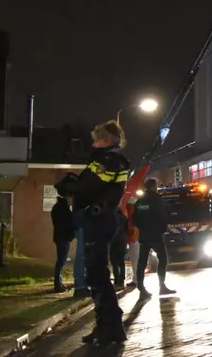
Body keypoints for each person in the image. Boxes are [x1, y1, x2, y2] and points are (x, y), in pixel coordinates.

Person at [55, 120, 130, 346]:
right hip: (100, 220)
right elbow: (99, 187)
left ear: (105, 140)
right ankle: (107, 326)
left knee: (97, 276)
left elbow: (91, 188)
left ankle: (111, 327)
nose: (94, 143)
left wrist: (70, 186)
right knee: (96, 276)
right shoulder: (110, 160)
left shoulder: (106, 161)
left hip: (98, 221)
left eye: (97, 139)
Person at [133, 178, 175, 298]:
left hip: (144, 235)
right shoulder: (157, 200)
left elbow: (135, 218)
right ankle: (162, 286)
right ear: (153, 186)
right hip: (156, 235)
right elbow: (165, 214)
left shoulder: (140, 201)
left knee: (142, 262)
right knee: (163, 259)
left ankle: (141, 286)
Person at [51, 195, 75, 293]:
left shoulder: (57, 208)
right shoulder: (63, 209)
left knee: (61, 261)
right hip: (63, 237)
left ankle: (58, 283)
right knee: (61, 261)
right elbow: (67, 223)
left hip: (60, 236)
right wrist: (71, 234)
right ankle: (58, 284)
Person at [71, 203, 90, 297]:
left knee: (83, 256)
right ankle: (79, 286)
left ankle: (82, 284)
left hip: (82, 225)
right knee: (81, 256)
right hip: (82, 226)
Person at [124, 196, 140, 288]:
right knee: (134, 260)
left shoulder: (133, 216)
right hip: (133, 239)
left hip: (134, 239)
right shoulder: (134, 215)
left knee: (135, 260)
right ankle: (136, 279)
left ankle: (136, 280)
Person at [109, 208, 128, 289]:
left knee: (115, 262)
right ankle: (122, 280)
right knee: (121, 262)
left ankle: (117, 280)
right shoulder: (123, 217)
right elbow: (126, 229)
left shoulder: (111, 216)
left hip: (113, 241)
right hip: (122, 240)